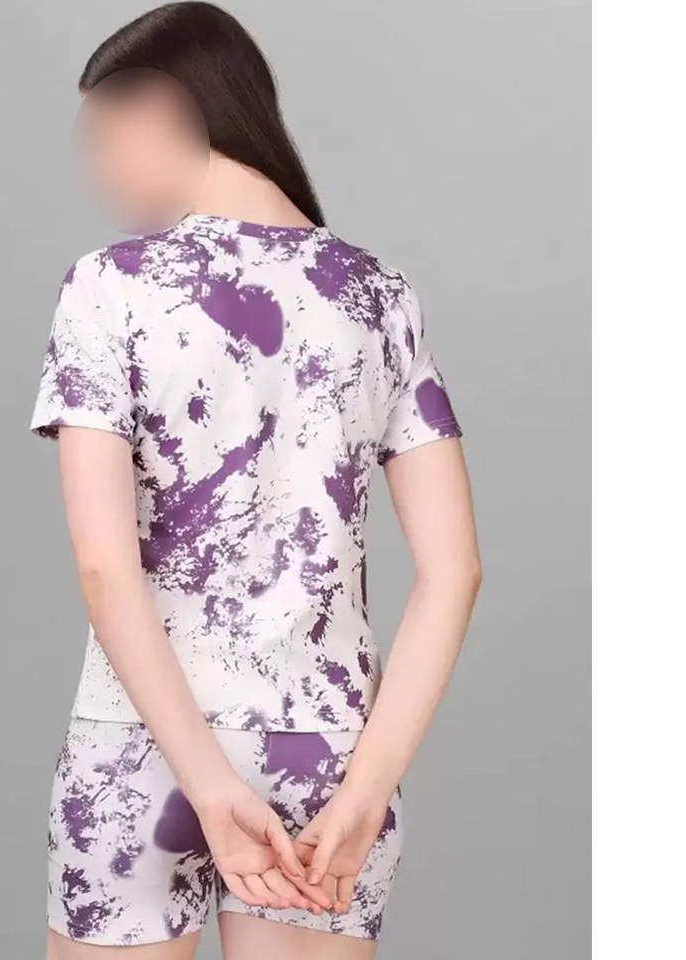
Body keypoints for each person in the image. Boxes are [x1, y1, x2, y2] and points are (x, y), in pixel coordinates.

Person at [29, 4, 482, 958]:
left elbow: (108, 568)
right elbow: (455, 573)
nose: (99, 174)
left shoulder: (110, 286)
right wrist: (368, 791)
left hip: (140, 744)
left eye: (103, 140)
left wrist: (207, 784)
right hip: (329, 758)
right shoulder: (378, 296)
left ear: (164, 109)